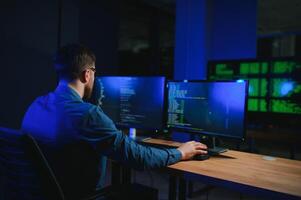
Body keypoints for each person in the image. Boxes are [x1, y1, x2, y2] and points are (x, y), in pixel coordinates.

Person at [21, 44, 208, 199]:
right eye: (94, 72)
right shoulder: (87, 114)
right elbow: (138, 158)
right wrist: (180, 152)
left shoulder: (36, 105)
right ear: (87, 74)